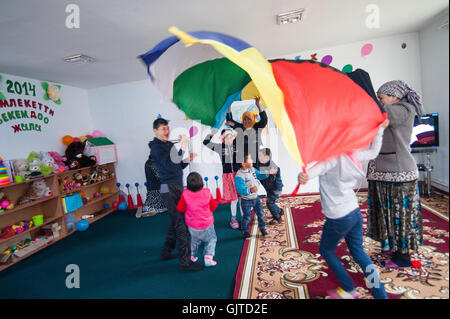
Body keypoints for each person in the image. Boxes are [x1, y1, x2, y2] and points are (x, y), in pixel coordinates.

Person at [298, 119, 390, 299]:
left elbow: (312, 172)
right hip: (355, 213)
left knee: (326, 250)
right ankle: (379, 293)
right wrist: (379, 130)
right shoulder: (352, 155)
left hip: (339, 217)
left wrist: (302, 176)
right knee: (359, 251)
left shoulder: (330, 159)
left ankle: (349, 289)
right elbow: (373, 151)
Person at [366, 80, 424, 268]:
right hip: (382, 172)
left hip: (399, 174)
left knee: (400, 216)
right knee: (386, 214)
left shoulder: (404, 109)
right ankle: (393, 246)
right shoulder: (389, 111)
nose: (379, 101)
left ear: (394, 97)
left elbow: (379, 110)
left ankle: (403, 257)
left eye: (381, 98)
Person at [149, 117, 203, 271]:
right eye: (163, 129)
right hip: (168, 187)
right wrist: (183, 148)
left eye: (167, 128)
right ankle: (185, 262)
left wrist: (186, 159)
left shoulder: (168, 144)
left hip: (176, 185)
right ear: (155, 131)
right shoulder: (156, 148)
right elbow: (170, 163)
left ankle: (166, 252)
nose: (166, 131)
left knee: (175, 221)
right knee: (182, 225)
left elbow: (177, 165)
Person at [203, 128, 243, 229]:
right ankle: (233, 218)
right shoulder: (220, 148)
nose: (229, 140)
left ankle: (244, 217)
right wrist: (212, 133)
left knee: (242, 197)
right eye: (227, 138)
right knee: (234, 199)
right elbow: (205, 142)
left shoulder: (237, 145)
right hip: (228, 176)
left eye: (231, 137)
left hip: (239, 174)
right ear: (223, 139)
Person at [176, 172, 218, 267]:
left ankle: (192, 256)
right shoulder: (207, 192)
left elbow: (180, 208)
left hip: (192, 225)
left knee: (194, 241)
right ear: (202, 183)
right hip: (207, 224)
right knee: (211, 239)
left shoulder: (185, 194)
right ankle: (208, 257)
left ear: (187, 185)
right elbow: (213, 206)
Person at [235, 154, 272, 240]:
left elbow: (259, 175)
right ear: (243, 163)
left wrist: (266, 173)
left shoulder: (252, 169)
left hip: (256, 198)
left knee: (261, 213)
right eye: (250, 159)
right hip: (246, 200)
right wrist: (250, 190)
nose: (252, 160)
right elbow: (240, 190)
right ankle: (245, 231)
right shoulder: (239, 176)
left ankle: (262, 228)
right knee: (247, 216)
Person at [225, 97, 268, 166]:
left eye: (249, 119)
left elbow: (264, 119)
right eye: (245, 119)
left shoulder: (257, 126)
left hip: (254, 158)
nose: (246, 121)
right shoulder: (241, 127)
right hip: (242, 158)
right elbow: (229, 120)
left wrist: (258, 105)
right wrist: (228, 105)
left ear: (253, 119)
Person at [256, 148, 284, 224]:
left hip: (275, 188)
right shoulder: (262, 163)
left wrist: (266, 173)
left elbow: (271, 179)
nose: (259, 157)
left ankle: (277, 218)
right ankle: (280, 211)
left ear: (267, 157)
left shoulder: (272, 166)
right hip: (269, 188)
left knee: (270, 203)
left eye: (260, 156)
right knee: (271, 202)